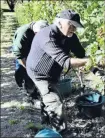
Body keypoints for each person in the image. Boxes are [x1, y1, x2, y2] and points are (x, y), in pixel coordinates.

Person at [26, 9, 89, 132]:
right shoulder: (47, 36)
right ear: (60, 23)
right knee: (55, 103)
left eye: (75, 27)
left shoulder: (70, 37)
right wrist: (87, 62)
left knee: (48, 95)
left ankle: (45, 119)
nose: (73, 29)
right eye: (71, 25)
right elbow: (66, 62)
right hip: (39, 73)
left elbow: (81, 54)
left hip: (52, 72)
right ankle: (61, 133)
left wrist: (93, 66)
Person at [12, 20, 49, 103]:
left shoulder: (44, 28)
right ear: (35, 32)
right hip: (22, 52)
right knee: (25, 72)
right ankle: (30, 93)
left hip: (33, 48)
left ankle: (37, 88)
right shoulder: (23, 35)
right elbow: (19, 54)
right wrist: (28, 69)